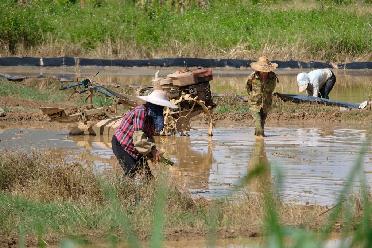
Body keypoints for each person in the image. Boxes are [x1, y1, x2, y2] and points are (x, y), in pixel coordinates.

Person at [111, 89, 177, 177]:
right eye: (159, 106)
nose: (161, 108)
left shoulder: (152, 118)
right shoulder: (141, 111)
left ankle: (148, 190)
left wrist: (153, 151)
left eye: (162, 106)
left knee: (148, 177)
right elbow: (139, 138)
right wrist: (152, 152)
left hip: (135, 148)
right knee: (131, 171)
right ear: (153, 104)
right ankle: (121, 190)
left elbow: (148, 137)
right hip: (122, 145)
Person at [246, 56, 278, 137]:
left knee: (262, 123)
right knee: (258, 121)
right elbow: (248, 88)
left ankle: (259, 142)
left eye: (266, 70)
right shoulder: (252, 77)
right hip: (254, 103)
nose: (264, 72)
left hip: (266, 103)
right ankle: (260, 138)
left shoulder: (273, 77)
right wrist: (253, 96)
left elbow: (272, 89)